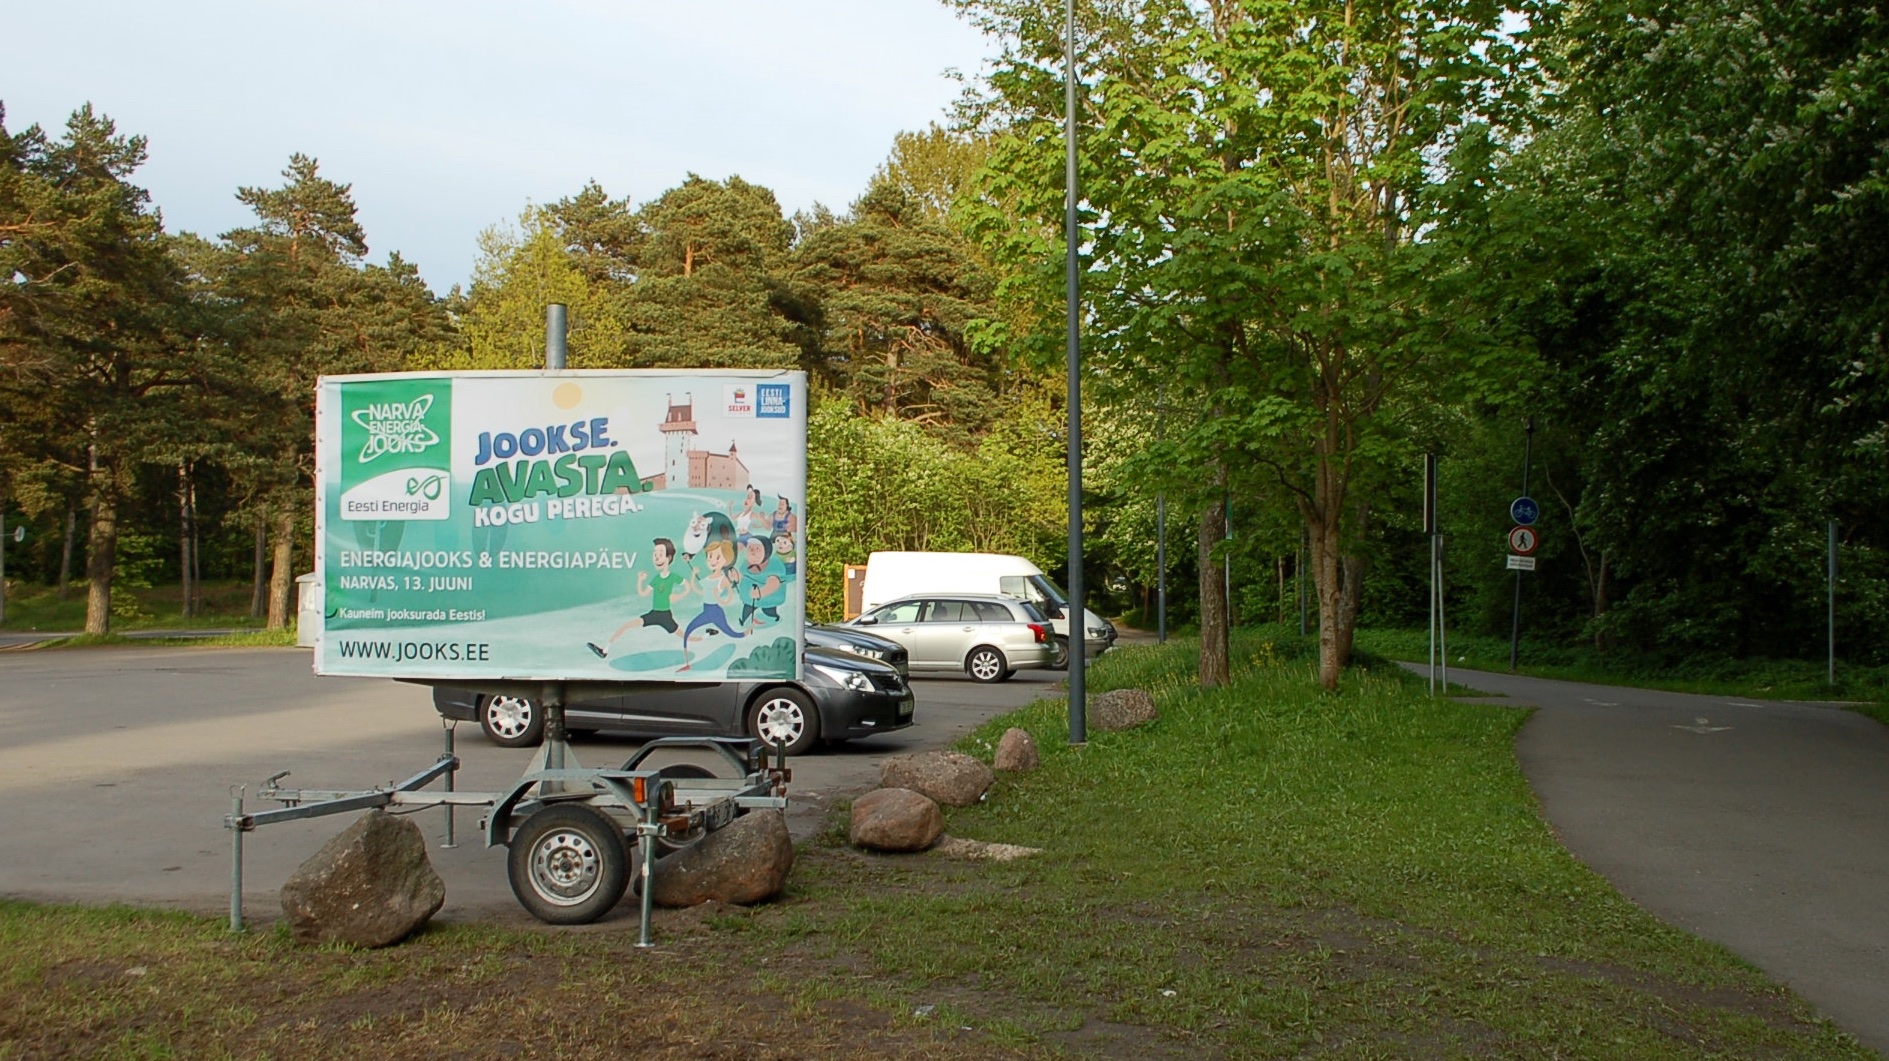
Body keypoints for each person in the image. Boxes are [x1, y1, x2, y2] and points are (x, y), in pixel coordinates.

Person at [587, 538, 686, 659]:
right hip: (654, 613)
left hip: (665, 615)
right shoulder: (656, 578)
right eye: (655, 554)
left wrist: (678, 596)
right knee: (626, 626)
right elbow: (643, 593)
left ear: (668, 558)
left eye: (660, 554)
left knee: (686, 637)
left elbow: (687, 586)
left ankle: (705, 636)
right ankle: (605, 650)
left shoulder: (673, 576)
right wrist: (640, 580)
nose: (656, 558)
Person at [678, 538, 744, 671]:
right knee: (688, 631)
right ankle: (687, 664)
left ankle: (749, 629)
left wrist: (718, 596)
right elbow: (697, 589)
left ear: (726, 560)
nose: (712, 560)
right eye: (710, 556)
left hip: (716, 611)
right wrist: (693, 575)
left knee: (732, 633)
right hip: (706, 611)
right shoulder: (707, 579)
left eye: (717, 557)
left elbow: (728, 599)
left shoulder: (723, 579)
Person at [737, 534, 788, 628]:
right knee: (747, 610)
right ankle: (744, 621)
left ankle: (774, 617)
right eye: (750, 548)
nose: (752, 552)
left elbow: (774, 583)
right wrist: (735, 577)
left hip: (767, 598)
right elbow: (741, 574)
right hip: (749, 599)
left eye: (757, 549)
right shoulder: (746, 563)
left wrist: (761, 592)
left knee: (769, 610)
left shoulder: (774, 564)